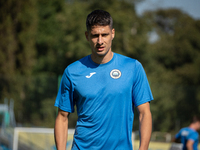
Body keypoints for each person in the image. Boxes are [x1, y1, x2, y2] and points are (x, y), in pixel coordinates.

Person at [54, 9, 153, 150]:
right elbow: (62, 117)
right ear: (87, 36)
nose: (100, 41)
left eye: (104, 35)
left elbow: (144, 113)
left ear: (113, 33)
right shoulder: (72, 71)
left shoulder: (133, 67)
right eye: (95, 36)